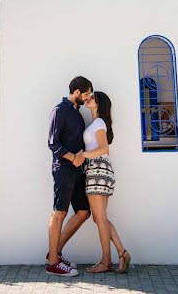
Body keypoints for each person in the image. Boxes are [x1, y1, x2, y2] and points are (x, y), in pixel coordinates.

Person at [46, 76, 93, 276]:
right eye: (86, 93)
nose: (88, 97)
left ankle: (53, 254)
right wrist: (72, 157)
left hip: (77, 171)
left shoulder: (77, 112)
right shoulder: (60, 110)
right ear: (76, 92)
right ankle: (53, 264)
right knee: (60, 213)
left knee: (83, 212)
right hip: (63, 169)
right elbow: (52, 143)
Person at [82, 91, 131, 274]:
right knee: (99, 218)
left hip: (98, 170)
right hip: (98, 171)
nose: (89, 98)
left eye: (92, 97)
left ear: (99, 104)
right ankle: (122, 252)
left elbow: (104, 149)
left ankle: (106, 262)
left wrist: (83, 155)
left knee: (100, 218)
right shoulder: (95, 123)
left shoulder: (99, 123)